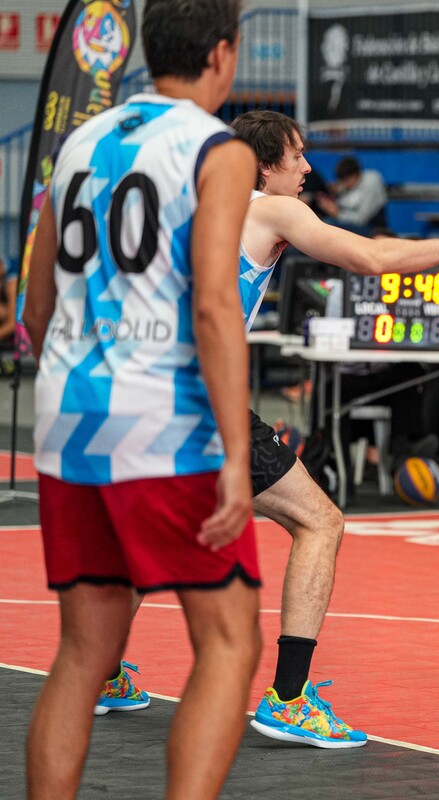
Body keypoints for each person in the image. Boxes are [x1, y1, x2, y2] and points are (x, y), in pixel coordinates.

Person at [111, 109, 439, 749]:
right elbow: (372, 258)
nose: (305, 168)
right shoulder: (272, 210)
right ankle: (290, 700)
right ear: (265, 165)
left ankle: (103, 671)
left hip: (138, 393)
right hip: (195, 404)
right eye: (296, 156)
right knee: (319, 520)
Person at [21, 1, 261, 796]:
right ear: (222, 54)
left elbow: (33, 304)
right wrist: (234, 453)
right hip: (163, 422)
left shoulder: (81, 142)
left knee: (83, 654)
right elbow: (216, 308)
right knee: (229, 641)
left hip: (68, 420)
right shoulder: (215, 150)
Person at [320, 156, 388, 231]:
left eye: (346, 180)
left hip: (372, 227)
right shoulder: (343, 187)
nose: (344, 184)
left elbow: (361, 219)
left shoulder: (371, 181)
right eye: (342, 180)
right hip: (350, 224)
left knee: (328, 225)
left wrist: (336, 213)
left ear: (356, 175)